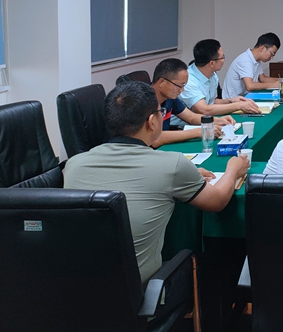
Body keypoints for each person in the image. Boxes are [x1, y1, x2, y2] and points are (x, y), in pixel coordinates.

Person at [64, 81, 250, 287]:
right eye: (161, 112)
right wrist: (233, 170)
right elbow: (217, 201)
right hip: (139, 292)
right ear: (152, 121)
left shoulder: (73, 165)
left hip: (75, 288)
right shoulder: (172, 165)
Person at [150, 58, 235, 148]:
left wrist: (217, 121)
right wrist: (198, 132)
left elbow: (191, 117)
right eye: (180, 86)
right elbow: (154, 139)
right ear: (162, 82)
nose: (182, 90)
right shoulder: (144, 100)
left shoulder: (169, 98)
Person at [180, 39, 261, 118]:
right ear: (212, 63)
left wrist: (231, 101)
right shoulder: (188, 80)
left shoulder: (212, 74)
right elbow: (204, 110)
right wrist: (238, 105)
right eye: (222, 57)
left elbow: (212, 102)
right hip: (182, 125)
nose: (224, 60)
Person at [222, 33, 282, 99]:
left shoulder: (256, 59)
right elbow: (250, 86)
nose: (272, 57)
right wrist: (273, 85)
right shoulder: (245, 60)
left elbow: (263, 79)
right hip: (232, 101)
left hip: (245, 98)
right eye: (272, 53)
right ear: (262, 48)